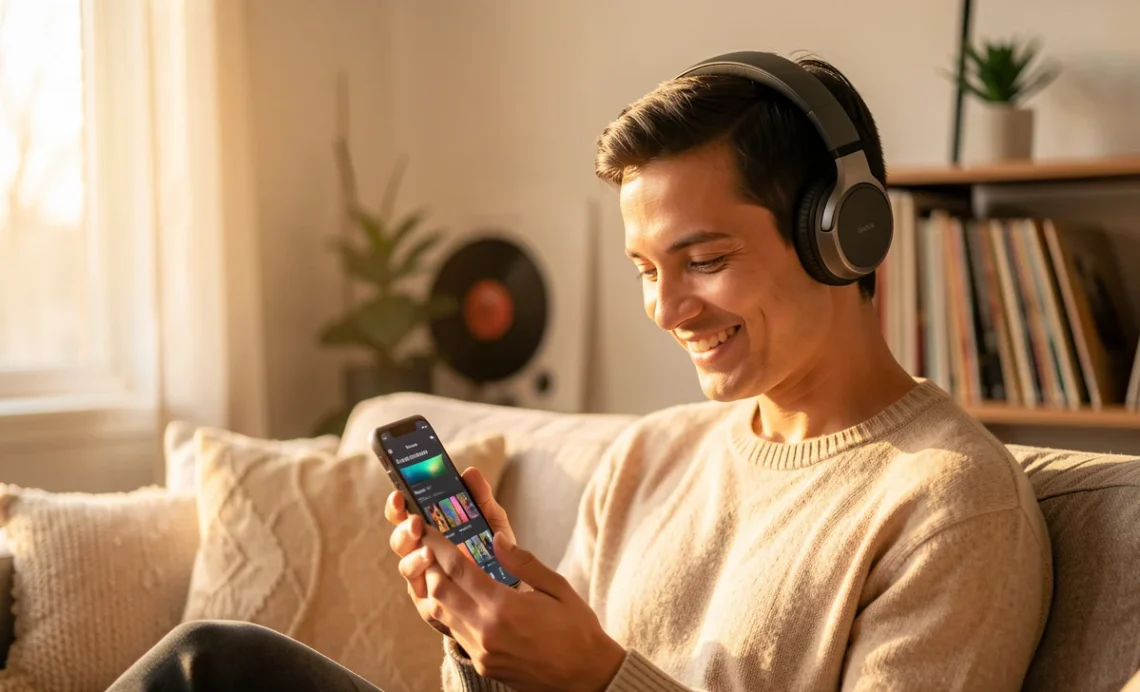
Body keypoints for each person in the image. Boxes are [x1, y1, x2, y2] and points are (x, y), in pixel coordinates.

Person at [109, 51, 1052, 692]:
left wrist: (600, 678)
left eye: (705, 260)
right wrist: (481, 641)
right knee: (214, 665)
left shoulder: (950, 505)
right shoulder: (650, 456)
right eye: (647, 270)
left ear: (845, 235)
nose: (667, 310)